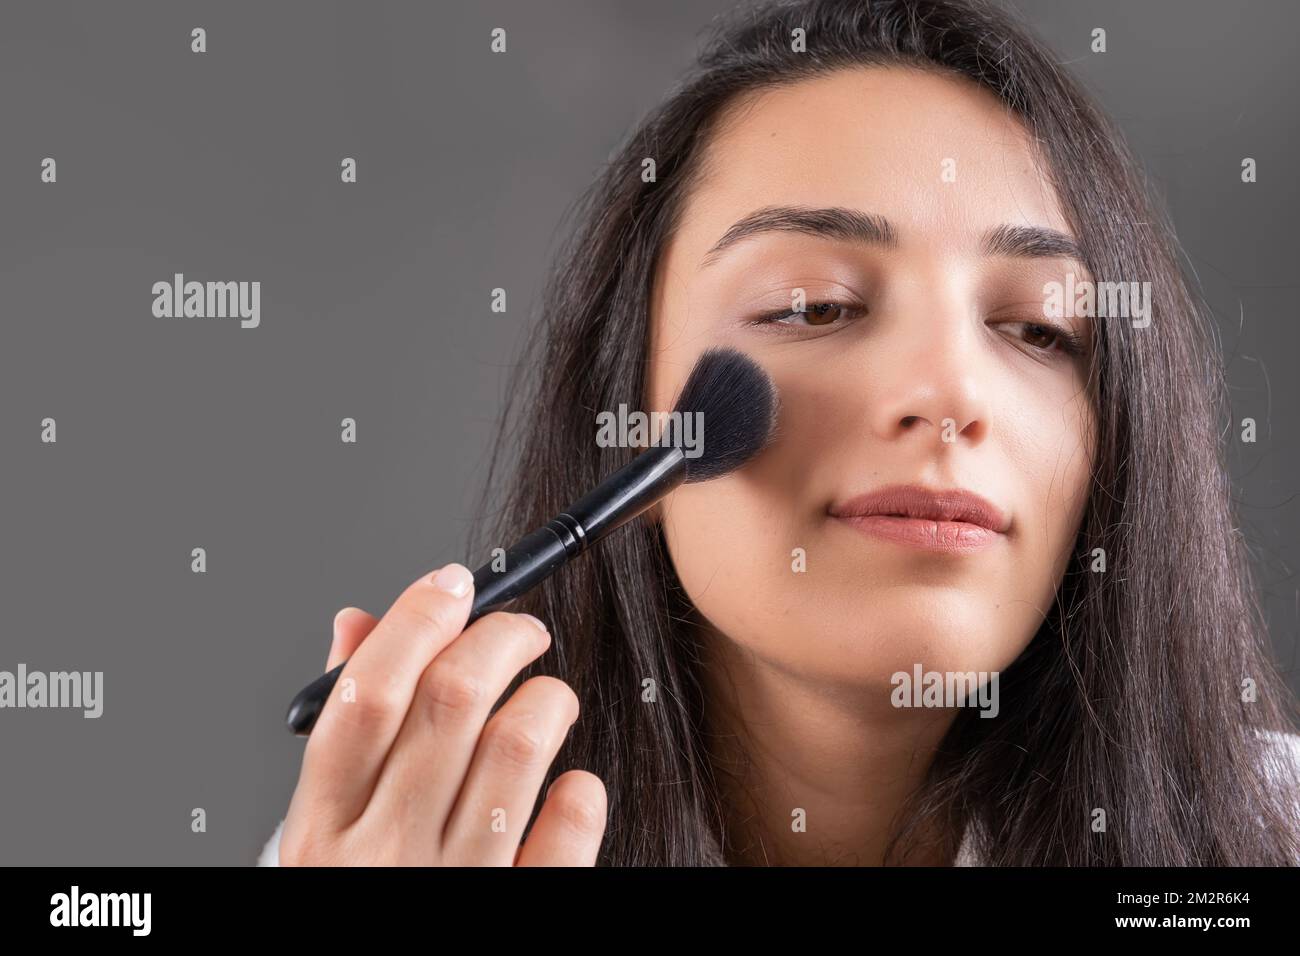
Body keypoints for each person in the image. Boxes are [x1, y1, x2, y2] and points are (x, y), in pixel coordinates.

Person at [258, 0, 1300, 866]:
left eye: (1037, 328)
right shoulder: (410, 842)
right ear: (633, 394)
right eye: (811, 307)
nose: (948, 394)